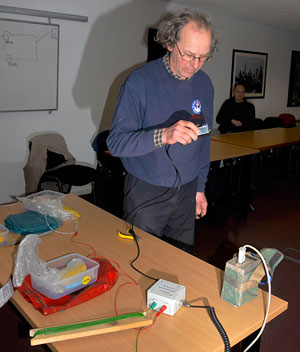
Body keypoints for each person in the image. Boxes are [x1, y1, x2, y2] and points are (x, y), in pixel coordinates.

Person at [107, 9, 219, 253]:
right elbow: (115, 143)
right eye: (189, 55)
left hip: (188, 189)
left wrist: (200, 188)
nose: (195, 65)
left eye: (203, 57)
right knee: (141, 261)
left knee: (180, 261)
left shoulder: (205, 84)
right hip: (146, 193)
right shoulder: (139, 82)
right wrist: (163, 135)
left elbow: (203, 141)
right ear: (170, 43)